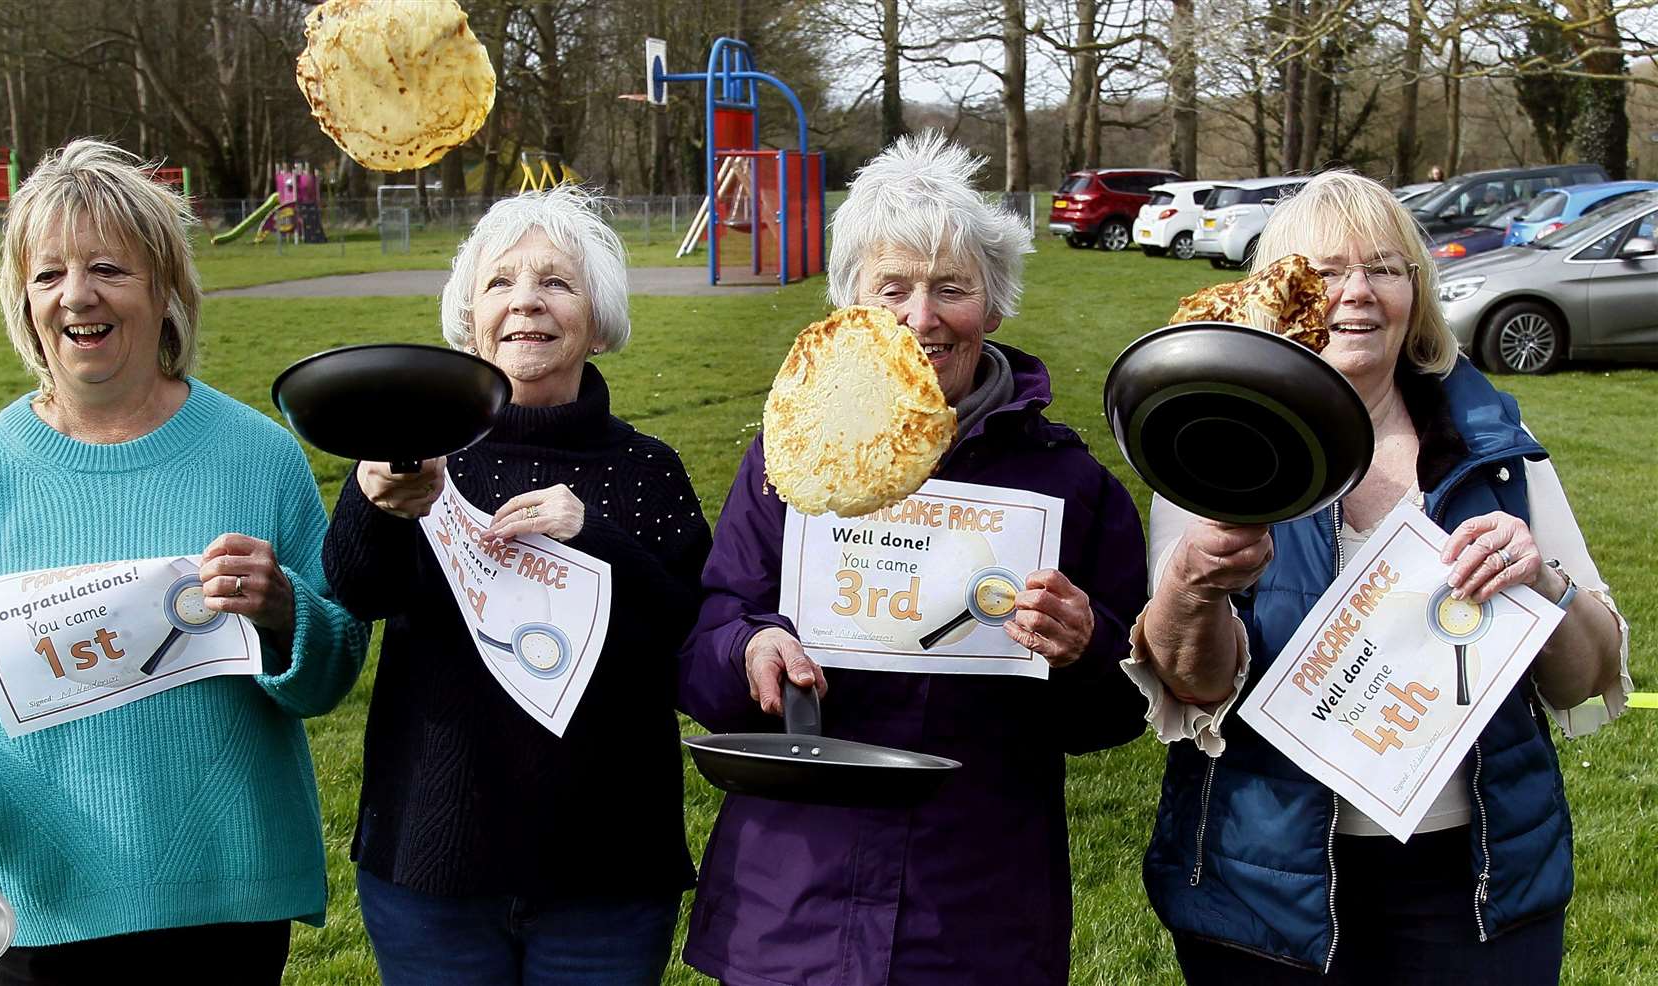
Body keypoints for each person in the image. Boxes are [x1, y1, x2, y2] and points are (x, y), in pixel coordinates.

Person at [0, 139, 371, 983]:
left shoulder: (258, 456)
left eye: (107, 269)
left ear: (165, 290)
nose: (77, 296)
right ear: (23, 298)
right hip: (36, 906)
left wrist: (284, 612)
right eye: (48, 274)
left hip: (224, 899)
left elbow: (332, 671)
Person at [1128, 171, 1631, 984]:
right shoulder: (1210, 439)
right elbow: (1192, 685)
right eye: (1324, 273)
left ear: (1416, 291)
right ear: (1279, 296)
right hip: (1269, 891)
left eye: (1387, 268)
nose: (1357, 293)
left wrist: (1540, 584)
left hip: (1474, 883)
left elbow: (1584, 678)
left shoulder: (1493, 445)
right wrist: (1194, 585)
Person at [677, 132, 1150, 986]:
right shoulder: (790, 462)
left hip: (973, 912)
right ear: (852, 307)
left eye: (952, 289)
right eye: (891, 289)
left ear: (994, 305)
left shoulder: (1066, 487)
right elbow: (709, 644)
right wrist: (749, 650)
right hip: (793, 906)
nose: (922, 318)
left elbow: (1116, 716)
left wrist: (1087, 648)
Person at [321, 185, 711, 986]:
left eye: (556, 283)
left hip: (607, 875)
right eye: (499, 283)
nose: (525, 302)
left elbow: (688, 639)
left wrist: (593, 537)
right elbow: (357, 590)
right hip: (432, 863)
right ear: (469, 318)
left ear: (598, 320)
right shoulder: (417, 454)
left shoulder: (648, 471)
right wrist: (376, 507)